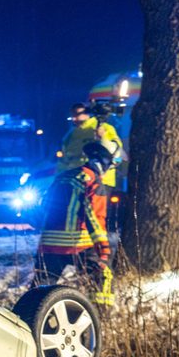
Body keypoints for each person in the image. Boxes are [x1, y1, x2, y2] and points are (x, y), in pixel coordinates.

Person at [34, 142, 114, 306]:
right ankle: (100, 315)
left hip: (48, 243)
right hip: (78, 244)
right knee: (103, 275)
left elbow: (42, 206)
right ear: (102, 164)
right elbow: (94, 217)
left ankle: (26, 318)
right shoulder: (93, 182)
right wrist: (103, 249)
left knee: (40, 288)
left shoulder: (63, 177)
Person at [59, 103, 123, 181]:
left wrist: (103, 139)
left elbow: (119, 157)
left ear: (87, 113)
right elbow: (63, 161)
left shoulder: (106, 128)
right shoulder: (70, 135)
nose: (74, 119)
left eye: (77, 114)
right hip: (76, 181)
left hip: (101, 182)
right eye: (72, 115)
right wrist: (59, 177)